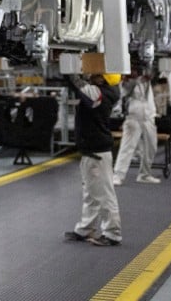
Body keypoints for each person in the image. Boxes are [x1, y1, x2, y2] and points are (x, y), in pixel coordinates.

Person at [65, 72, 122, 247]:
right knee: (90, 193)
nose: (91, 77)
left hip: (97, 152)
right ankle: (85, 228)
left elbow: (76, 83)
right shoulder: (106, 92)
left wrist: (69, 66)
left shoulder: (100, 94)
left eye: (96, 75)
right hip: (92, 151)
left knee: (104, 194)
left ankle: (112, 233)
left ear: (104, 79)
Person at [113, 66, 160, 185]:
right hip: (133, 116)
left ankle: (145, 174)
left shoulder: (146, 80)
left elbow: (153, 74)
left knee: (151, 147)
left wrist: (147, 76)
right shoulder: (126, 81)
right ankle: (118, 175)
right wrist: (135, 79)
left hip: (148, 115)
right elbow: (124, 92)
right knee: (127, 147)